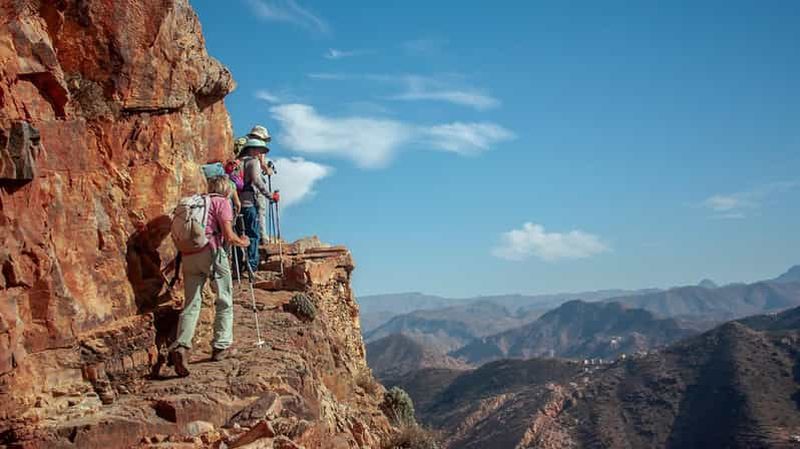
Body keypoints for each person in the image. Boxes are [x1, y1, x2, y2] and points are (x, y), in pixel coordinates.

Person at [169, 176, 250, 377]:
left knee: (191, 302)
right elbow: (229, 236)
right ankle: (222, 346)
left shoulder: (197, 202)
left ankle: (182, 346)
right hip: (211, 253)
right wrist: (244, 243)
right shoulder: (221, 203)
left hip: (189, 256)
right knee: (224, 299)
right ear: (227, 189)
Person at [237, 138, 272, 273]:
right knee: (253, 235)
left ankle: (237, 267)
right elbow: (257, 181)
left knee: (239, 235)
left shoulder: (236, 162)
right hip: (249, 203)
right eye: (259, 151)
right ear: (252, 149)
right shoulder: (253, 162)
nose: (260, 154)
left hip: (235, 204)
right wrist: (270, 196)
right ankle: (252, 266)